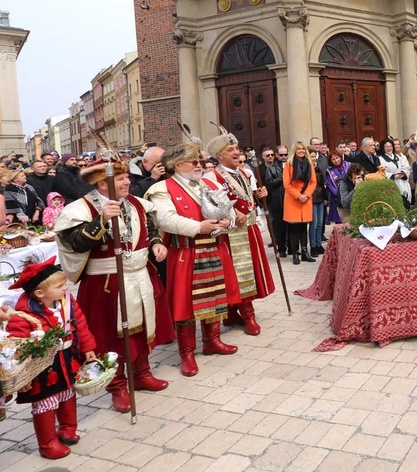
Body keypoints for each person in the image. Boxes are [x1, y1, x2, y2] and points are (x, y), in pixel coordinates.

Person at [54, 158, 174, 412]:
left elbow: (149, 228)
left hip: (141, 274)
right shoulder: (79, 209)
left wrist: (155, 244)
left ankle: (141, 373)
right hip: (106, 282)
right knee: (110, 334)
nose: (128, 182)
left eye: (127, 177)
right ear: (102, 183)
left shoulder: (136, 203)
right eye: (120, 179)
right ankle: (117, 385)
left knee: (142, 326)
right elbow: (74, 244)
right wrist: (100, 220)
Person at [145, 142, 240, 376]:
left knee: (216, 296)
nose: (199, 166)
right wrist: (199, 226)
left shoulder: (210, 182)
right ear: (177, 165)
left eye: (200, 162)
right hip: (186, 252)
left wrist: (230, 221)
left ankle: (212, 341)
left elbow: (228, 209)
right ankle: (186, 353)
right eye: (194, 162)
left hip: (214, 248)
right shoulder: (162, 189)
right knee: (185, 304)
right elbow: (165, 220)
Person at [6, 256, 97, 459]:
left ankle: (67, 428)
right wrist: (22, 375)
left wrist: (88, 346)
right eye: (60, 286)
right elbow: (17, 344)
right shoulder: (25, 314)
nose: (66, 288)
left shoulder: (67, 302)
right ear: (40, 293)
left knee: (67, 393)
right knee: (45, 401)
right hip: (42, 366)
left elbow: (80, 323)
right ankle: (47, 444)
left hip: (67, 356)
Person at [205, 133, 275, 336]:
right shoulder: (212, 178)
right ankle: (246, 314)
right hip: (233, 234)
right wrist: (233, 215)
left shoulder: (244, 173)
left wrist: (259, 195)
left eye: (237, 149)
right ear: (219, 155)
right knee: (239, 274)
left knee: (252, 270)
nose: (236, 153)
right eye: (230, 150)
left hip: (249, 230)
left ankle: (232, 311)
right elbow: (213, 205)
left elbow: (246, 198)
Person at [283, 141, 317, 265]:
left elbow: (313, 182)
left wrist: (306, 195)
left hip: (306, 199)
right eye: (299, 149)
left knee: (304, 227)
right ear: (294, 151)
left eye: (303, 149)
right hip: (293, 199)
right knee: (294, 228)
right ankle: (295, 254)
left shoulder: (309, 163)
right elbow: (286, 184)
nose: (301, 151)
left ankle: (304, 252)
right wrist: (298, 196)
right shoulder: (288, 164)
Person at [263, 145, 288, 257]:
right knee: (279, 226)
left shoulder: (291, 165)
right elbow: (269, 183)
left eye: (285, 154)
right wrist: (282, 177)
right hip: (278, 200)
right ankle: (281, 248)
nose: (284, 157)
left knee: (291, 225)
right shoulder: (271, 168)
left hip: (290, 199)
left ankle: (292, 248)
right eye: (281, 155)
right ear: (277, 155)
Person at [378, 137, 412, 208]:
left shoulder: (398, 157)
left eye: (390, 146)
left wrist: (403, 174)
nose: (389, 148)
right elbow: (381, 173)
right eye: (386, 147)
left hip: (402, 183)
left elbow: (406, 168)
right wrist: (394, 176)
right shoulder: (380, 159)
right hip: (391, 185)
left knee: (405, 205)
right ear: (383, 148)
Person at [309, 151, 328, 257]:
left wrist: (325, 197)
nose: (314, 159)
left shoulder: (318, 168)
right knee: (314, 224)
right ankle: (313, 246)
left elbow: (322, 184)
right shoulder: (307, 169)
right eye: (311, 157)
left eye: (314, 156)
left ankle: (318, 243)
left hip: (320, 198)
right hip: (311, 199)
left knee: (320, 223)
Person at [325, 151, 350, 224]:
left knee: (349, 220)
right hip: (336, 198)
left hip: (348, 195)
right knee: (339, 222)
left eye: (337, 158)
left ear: (340, 157)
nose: (336, 160)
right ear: (330, 161)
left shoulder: (348, 165)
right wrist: (338, 194)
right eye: (333, 159)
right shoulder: (329, 170)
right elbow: (329, 184)